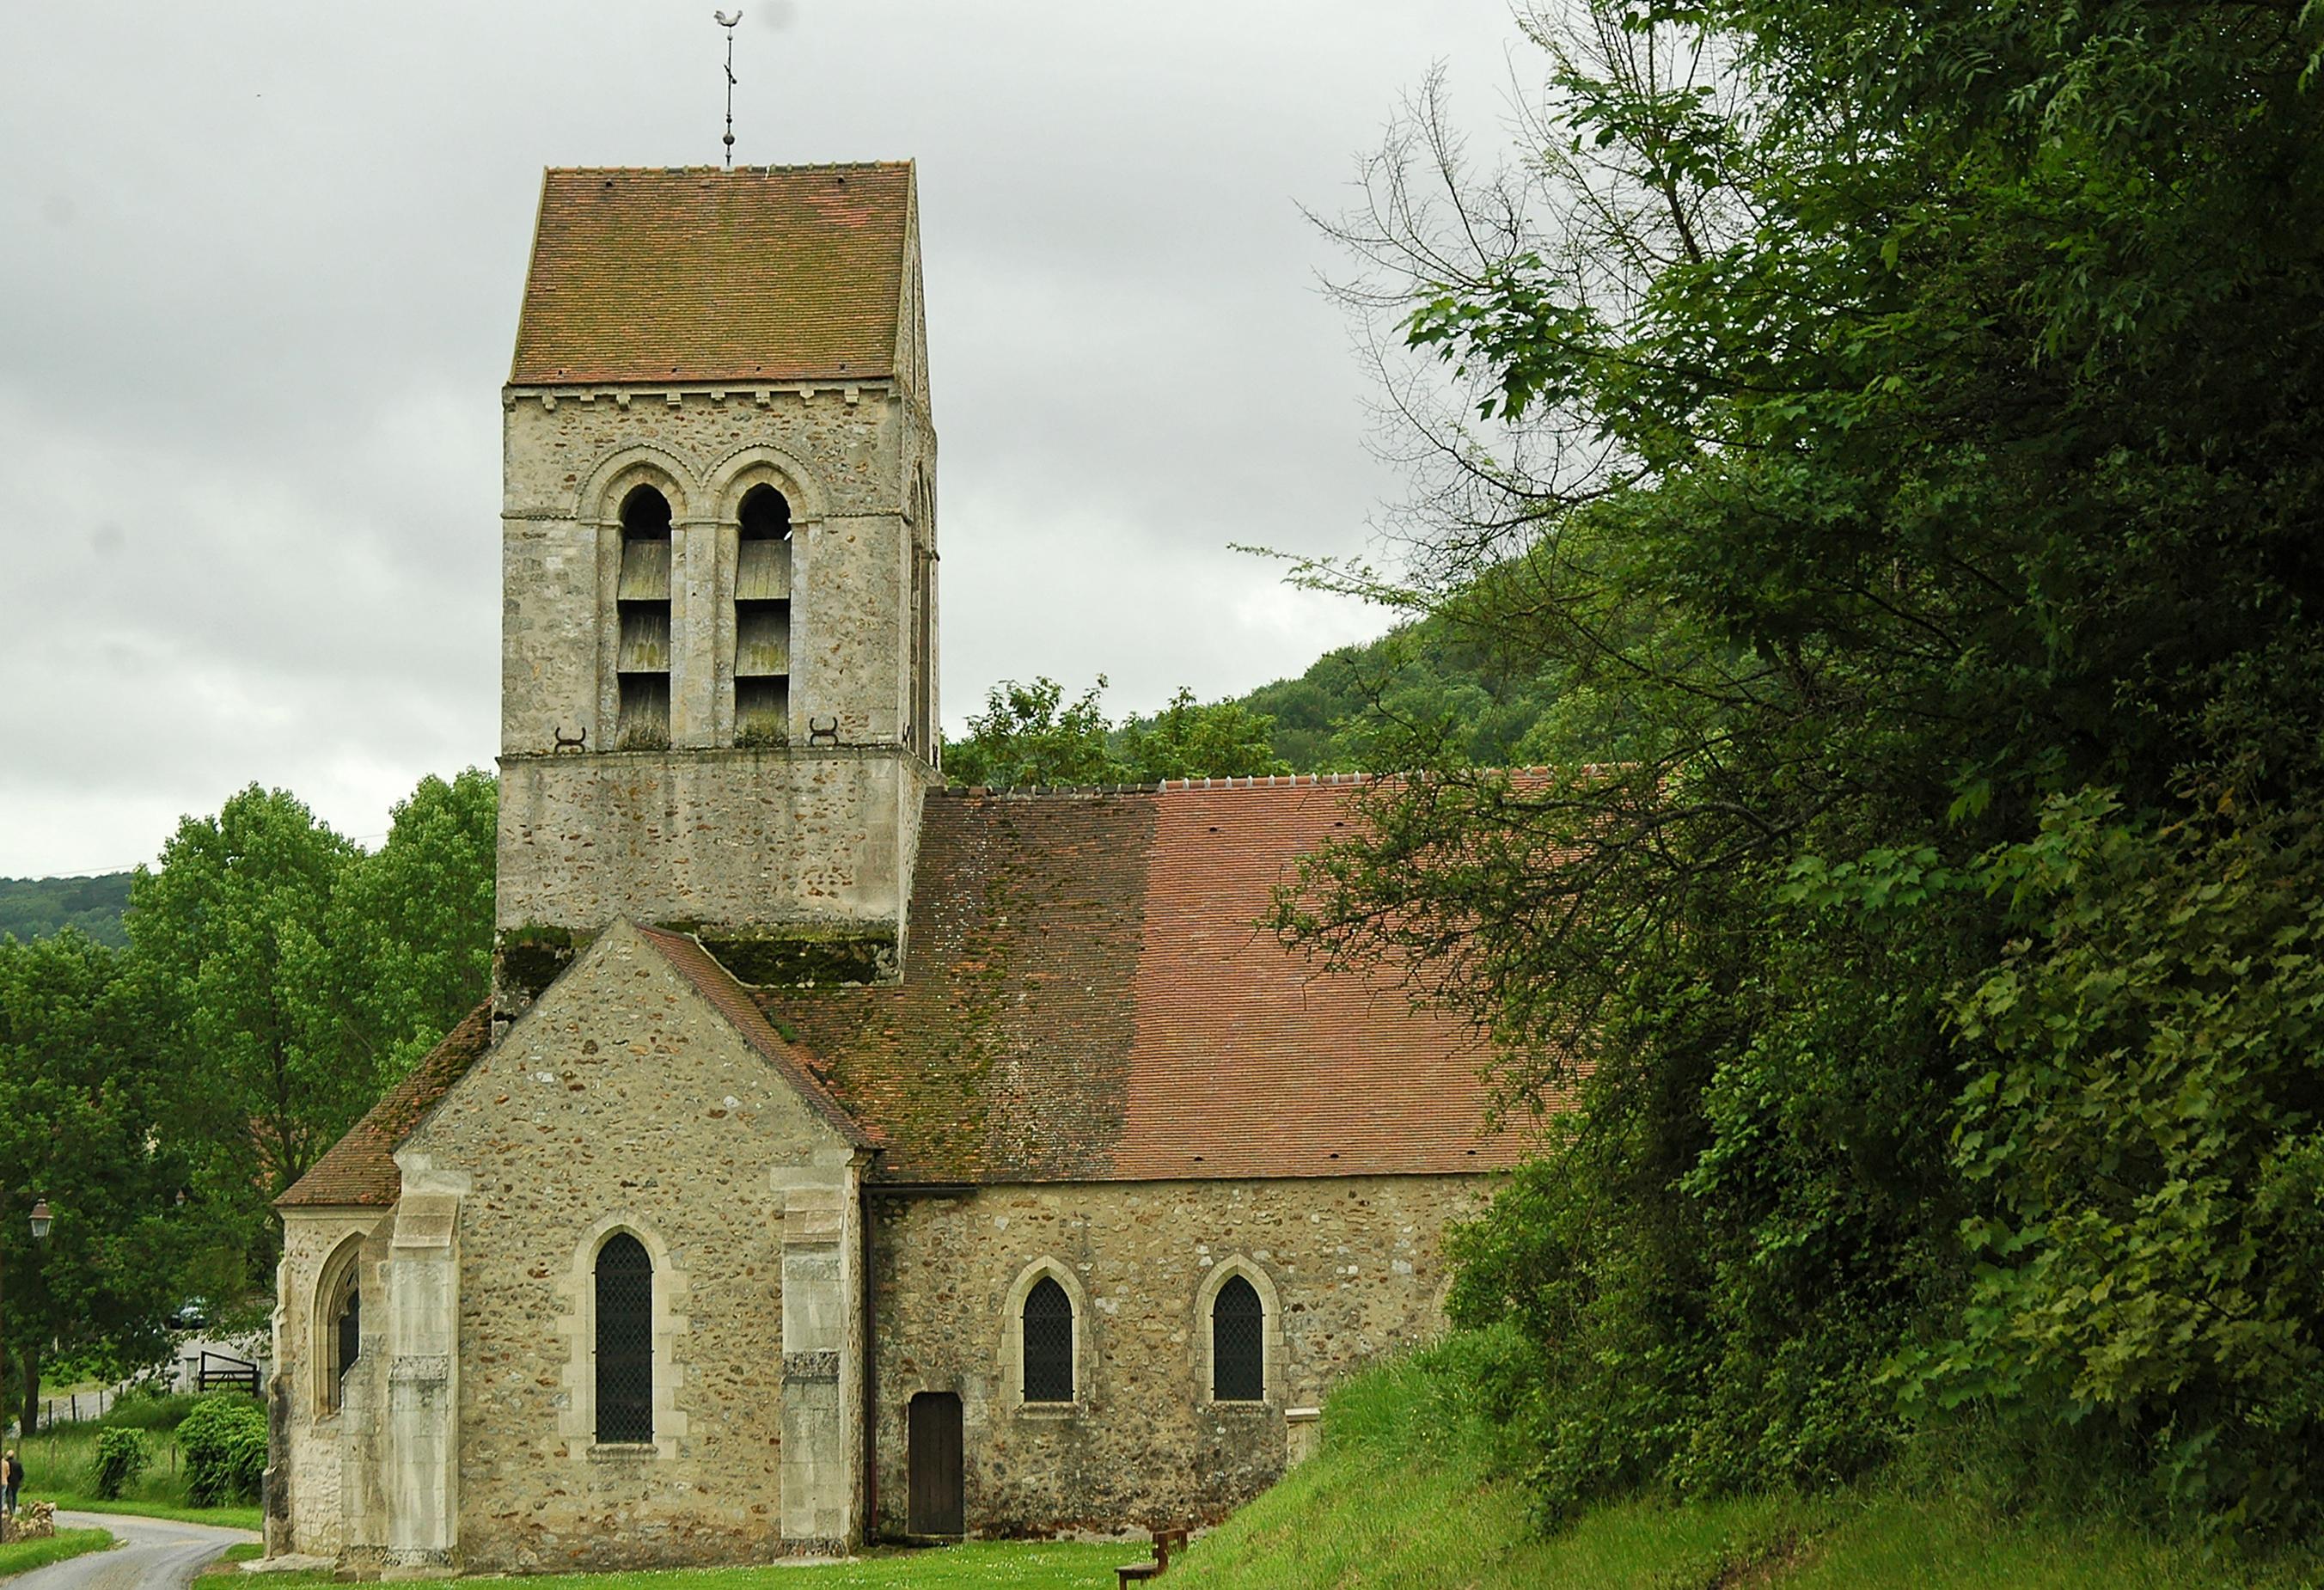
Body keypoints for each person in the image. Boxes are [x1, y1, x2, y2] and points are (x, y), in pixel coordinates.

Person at [2, 1448, 18, 1518]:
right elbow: (21, 1474)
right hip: (12, 1482)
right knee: (13, 1496)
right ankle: (13, 1510)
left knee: (5, 1496)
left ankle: (6, 1509)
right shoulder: (17, 1464)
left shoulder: (6, 1462)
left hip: (7, 1481)